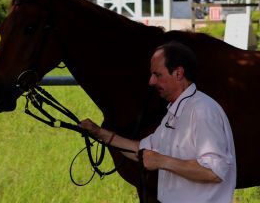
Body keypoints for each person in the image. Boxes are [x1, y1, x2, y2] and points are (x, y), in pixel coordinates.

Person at [80, 41, 236, 203]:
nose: (151, 81)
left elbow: (215, 172)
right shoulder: (175, 111)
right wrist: (100, 133)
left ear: (178, 74)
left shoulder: (202, 111)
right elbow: (141, 151)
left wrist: (162, 161)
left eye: (157, 75)